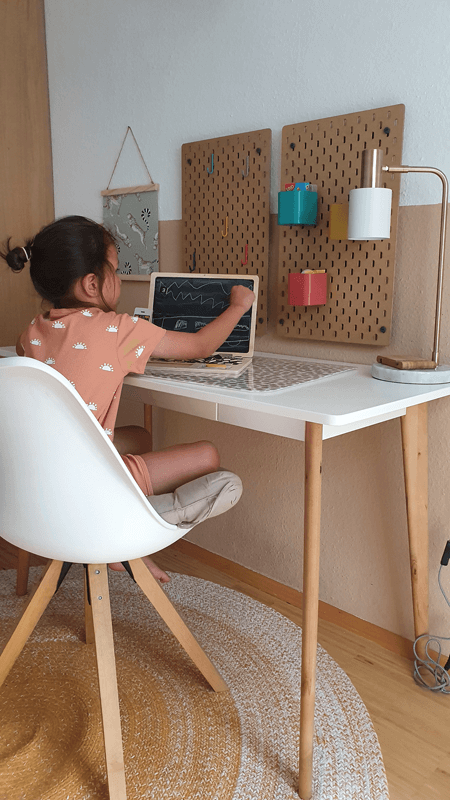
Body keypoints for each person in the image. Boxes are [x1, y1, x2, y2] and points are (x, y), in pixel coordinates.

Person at [2, 216, 255, 583]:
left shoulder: (31, 332)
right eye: (116, 271)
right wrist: (239, 305)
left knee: (139, 436)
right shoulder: (118, 330)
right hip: (88, 489)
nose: (118, 280)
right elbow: (201, 345)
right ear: (92, 283)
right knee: (208, 457)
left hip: (40, 480)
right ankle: (121, 540)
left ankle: (115, 535)